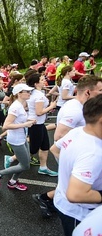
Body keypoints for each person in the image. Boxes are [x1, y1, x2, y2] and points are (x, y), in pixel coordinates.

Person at [32, 75, 102, 218]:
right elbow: (58, 137)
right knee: (74, 189)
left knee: (68, 188)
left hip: (79, 158)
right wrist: (73, 164)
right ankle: (46, 199)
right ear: (88, 92)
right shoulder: (75, 110)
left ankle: (45, 198)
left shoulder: (79, 106)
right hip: (79, 161)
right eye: (100, 90)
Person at [50, 94, 102, 236]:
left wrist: (72, 173)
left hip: (62, 200)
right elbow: (75, 194)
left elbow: (55, 148)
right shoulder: (93, 152)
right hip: (76, 212)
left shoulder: (78, 131)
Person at [0, 84, 36, 191]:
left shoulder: (20, 105)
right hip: (16, 140)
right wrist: (25, 125)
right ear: (19, 94)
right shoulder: (15, 107)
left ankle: (13, 182)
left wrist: (28, 122)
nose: (29, 93)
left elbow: (18, 121)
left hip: (22, 137)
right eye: (27, 91)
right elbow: (6, 126)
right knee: (25, 166)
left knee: (25, 162)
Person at [26, 73, 58, 177]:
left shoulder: (35, 93)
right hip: (35, 124)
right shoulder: (38, 95)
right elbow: (39, 112)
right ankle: (11, 158)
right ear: (36, 83)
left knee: (45, 146)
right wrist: (52, 106)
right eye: (41, 79)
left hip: (39, 123)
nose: (44, 80)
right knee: (33, 149)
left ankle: (43, 168)